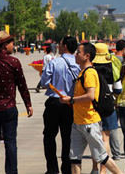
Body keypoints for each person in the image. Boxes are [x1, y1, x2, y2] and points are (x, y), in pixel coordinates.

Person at [59, 43, 122, 174]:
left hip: (89, 122)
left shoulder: (90, 73)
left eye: (78, 52)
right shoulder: (82, 72)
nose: (76, 54)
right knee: (74, 158)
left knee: (101, 156)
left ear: (87, 56)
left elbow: (90, 96)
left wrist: (71, 99)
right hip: (78, 122)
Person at [0, 31, 33, 174]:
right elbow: (22, 85)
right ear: (5, 45)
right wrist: (28, 104)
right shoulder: (13, 62)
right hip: (8, 108)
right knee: (10, 142)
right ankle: (11, 172)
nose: (14, 45)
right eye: (12, 43)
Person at [40, 37, 81, 174]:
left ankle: (52, 168)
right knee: (68, 137)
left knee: (49, 136)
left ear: (64, 46)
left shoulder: (54, 62)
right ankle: (67, 168)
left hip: (54, 102)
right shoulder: (78, 64)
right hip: (71, 103)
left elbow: (44, 83)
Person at [91, 43, 123, 174]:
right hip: (108, 104)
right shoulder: (112, 66)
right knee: (105, 138)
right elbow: (119, 89)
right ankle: (103, 170)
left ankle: (94, 169)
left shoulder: (90, 68)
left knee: (94, 138)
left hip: (92, 104)